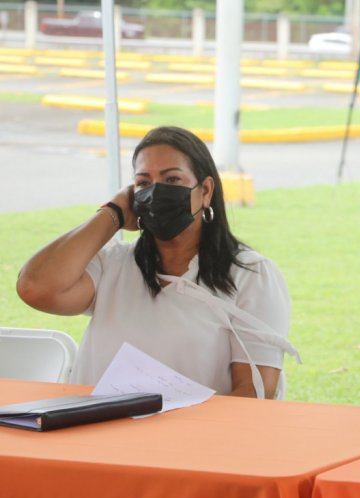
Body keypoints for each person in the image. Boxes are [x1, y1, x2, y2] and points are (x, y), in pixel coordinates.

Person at [17, 126, 297, 399]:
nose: (155, 192)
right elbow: (35, 287)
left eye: (172, 180)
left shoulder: (251, 275)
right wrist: (112, 214)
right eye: (143, 183)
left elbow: (254, 393)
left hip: (189, 441)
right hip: (93, 437)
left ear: (206, 190)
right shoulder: (112, 263)